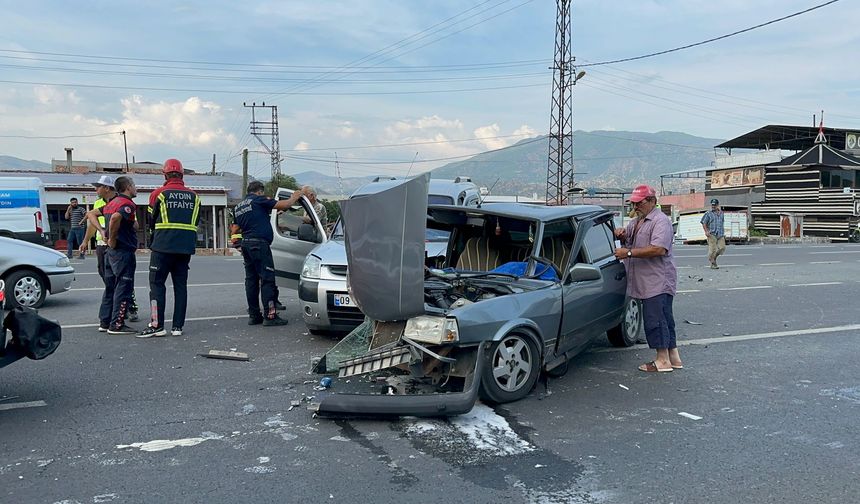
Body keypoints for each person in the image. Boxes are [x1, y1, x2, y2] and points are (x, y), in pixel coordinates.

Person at [613, 184, 681, 373]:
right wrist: (621, 235)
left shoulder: (660, 221)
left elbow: (658, 249)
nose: (635, 207)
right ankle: (673, 357)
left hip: (657, 280)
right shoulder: (637, 221)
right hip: (645, 279)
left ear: (652, 201)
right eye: (633, 204)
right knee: (665, 318)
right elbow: (629, 239)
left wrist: (627, 253)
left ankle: (662, 360)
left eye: (639, 203)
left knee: (655, 319)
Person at [137, 159, 201, 338]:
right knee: (180, 286)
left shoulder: (159, 194)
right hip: (185, 249)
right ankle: (177, 327)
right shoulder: (194, 196)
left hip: (162, 247)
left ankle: (157, 325)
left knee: (157, 285)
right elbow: (195, 222)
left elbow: (151, 220)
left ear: (165, 174)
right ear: (182, 174)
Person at [233, 181, 306, 326]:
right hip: (259, 244)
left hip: (246, 243)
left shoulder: (239, 207)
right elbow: (284, 205)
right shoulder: (259, 200)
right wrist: (295, 196)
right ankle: (270, 315)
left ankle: (254, 316)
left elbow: (235, 229)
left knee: (251, 280)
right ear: (259, 191)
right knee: (267, 279)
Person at [81, 176, 139, 323]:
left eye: (98, 187)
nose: (96, 189)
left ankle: (106, 320)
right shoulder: (125, 203)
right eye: (134, 185)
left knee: (112, 286)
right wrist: (107, 234)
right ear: (127, 187)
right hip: (118, 249)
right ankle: (116, 323)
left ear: (108, 188)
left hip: (110, 250)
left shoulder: (113, 203)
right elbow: (113, 218)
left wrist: (105, 232)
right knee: (122, 285)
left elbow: (93, 215)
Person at [701, 198, 726, 269]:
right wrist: (706, 231)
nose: (713, 206)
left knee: (722, 248)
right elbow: (704, 223)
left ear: (718, 205)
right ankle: (713, 264)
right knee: (713, 250)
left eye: (714, 205)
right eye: (712, 205)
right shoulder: (708, 213)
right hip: (712, 234)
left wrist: (724, 232)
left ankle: (713, 259)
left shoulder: (721, 213)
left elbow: (722, 223)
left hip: (720, 234)